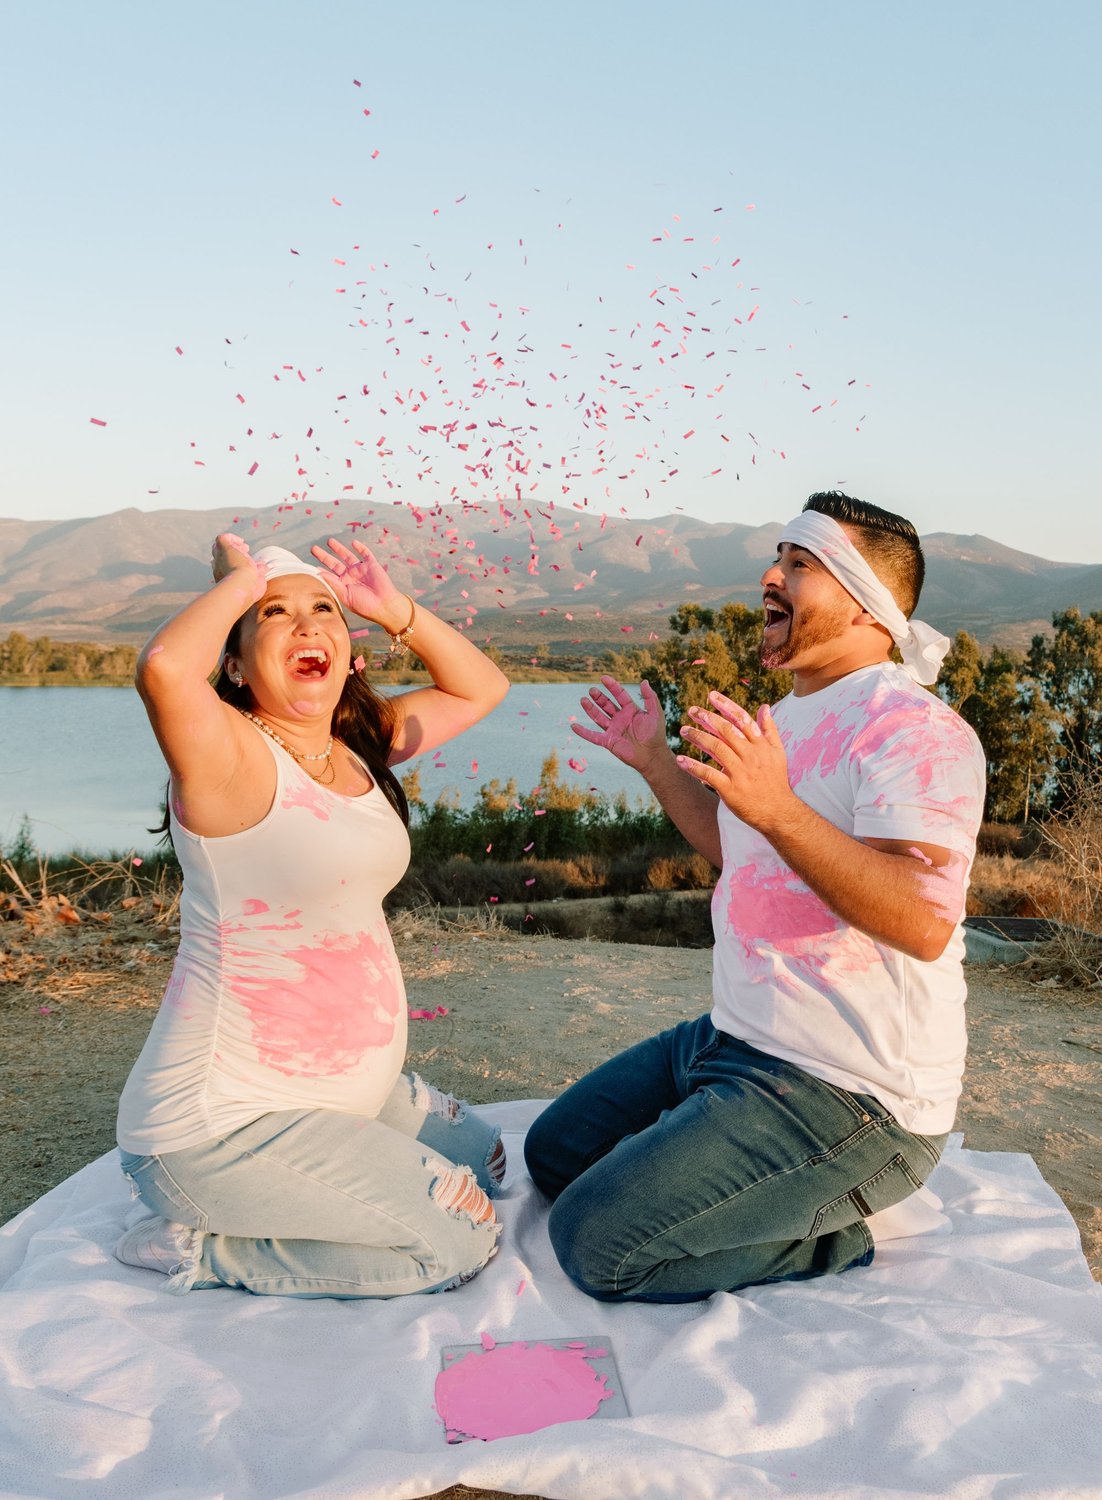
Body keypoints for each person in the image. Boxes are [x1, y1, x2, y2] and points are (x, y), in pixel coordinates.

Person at [524, 492, 986, 1302]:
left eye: (800, 564)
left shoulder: (915, 731)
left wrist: (778, 808)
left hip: (850, 1093)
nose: (771, 577)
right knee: (554, 1156)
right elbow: (743, 853)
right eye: (779, 559)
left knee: (595, 1245)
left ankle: (835, 1237)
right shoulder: (787, 716)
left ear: (867, 602)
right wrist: (656, 763)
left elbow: (922, 920)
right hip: (731, 1039)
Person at [114, 532, 510, 1297]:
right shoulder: (225, 757)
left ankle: (353, 1137)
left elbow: (480, 689)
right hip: (221, 1127)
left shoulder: (353, 747)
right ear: (234, 664)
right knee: (461, 1240)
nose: (306, 624)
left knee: (487, 1163)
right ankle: (201, 1249)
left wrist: (392, 608)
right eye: (274, 613)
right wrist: (241, 580)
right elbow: (163, 667)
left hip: (340, 1094)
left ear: (347, 653)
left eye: (323, 610)